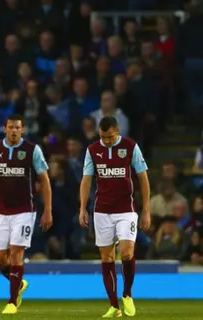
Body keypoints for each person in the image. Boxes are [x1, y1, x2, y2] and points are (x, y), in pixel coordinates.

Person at [0, 113, 53, 315]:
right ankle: (18, 282)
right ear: (5, 128)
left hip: (25, 210)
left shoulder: (31, 150)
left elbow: (44, 179)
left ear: (23, 130)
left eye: (18, 128)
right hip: (2, 211)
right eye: (11, 127)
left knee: (16, 253)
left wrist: (48, 210)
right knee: (0, 258)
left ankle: (11, 301)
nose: (15, 131)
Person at [79, 116, 151, 318]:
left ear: (117, 131)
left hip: (126, 210)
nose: (107, 141)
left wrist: (146, 209)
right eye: (103, 137)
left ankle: (127, 294)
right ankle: (114, 306)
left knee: (127, 253)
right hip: (101, 211)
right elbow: (86, 179)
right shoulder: (92, 150)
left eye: (110, 137)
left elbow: (143, 177)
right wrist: (83, 208)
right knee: (106, 257)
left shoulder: (130, 146)